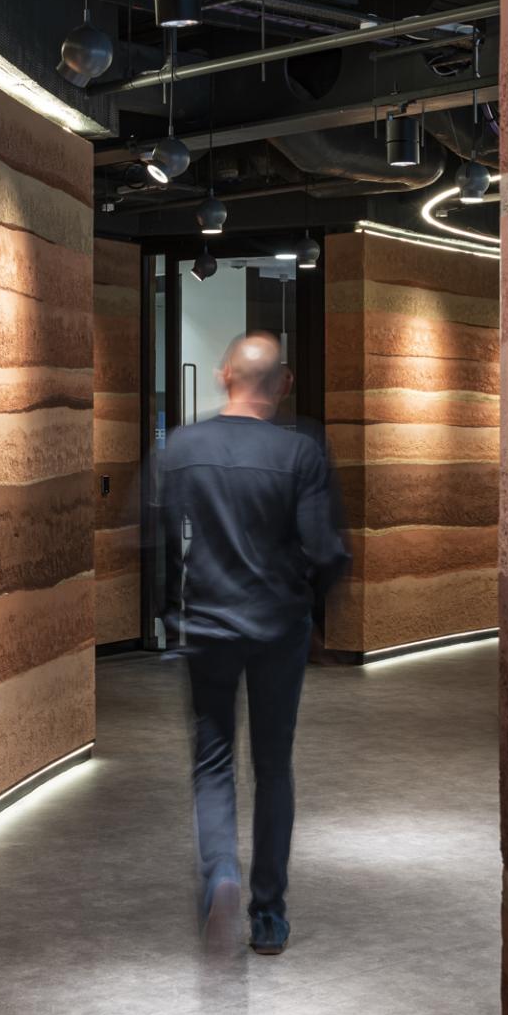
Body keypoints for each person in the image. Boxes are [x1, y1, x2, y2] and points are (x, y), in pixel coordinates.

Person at [155, 333, 350, 954]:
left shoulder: (183, 447)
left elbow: (157, 541)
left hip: (207, 624)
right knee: (273, 767)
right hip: (277, 627)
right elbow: (327, 551)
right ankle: (268, 915)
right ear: (284, 384)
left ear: (222, 376)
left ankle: (221, 877)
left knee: (213, 765)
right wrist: (311, 610)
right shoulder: (302, 454)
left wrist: (171, 607)